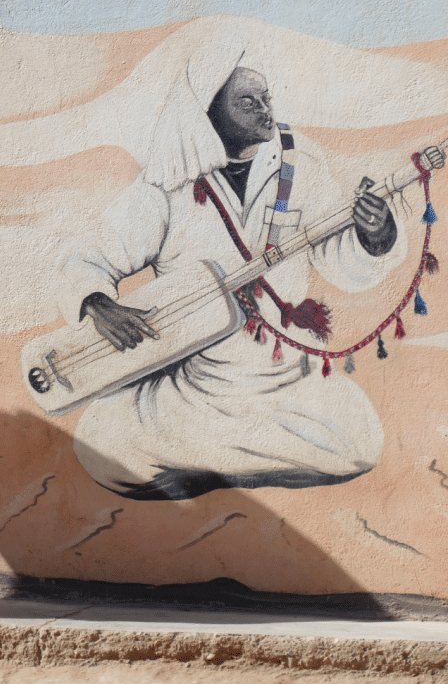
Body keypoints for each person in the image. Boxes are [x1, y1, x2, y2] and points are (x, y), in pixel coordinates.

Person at [59, 53, 405, 501]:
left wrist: (373, 233)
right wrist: (98, 305)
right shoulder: (167, 183)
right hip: (196, 382)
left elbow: (339, 261)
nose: (266, 110)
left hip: (285, 376)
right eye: (248, 102)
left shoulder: (301, 166)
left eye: (267, 98)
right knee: (100, 447)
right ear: (208, 113)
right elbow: (87, 257)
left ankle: (211, 466)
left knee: (361, 443)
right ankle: (240, 461)